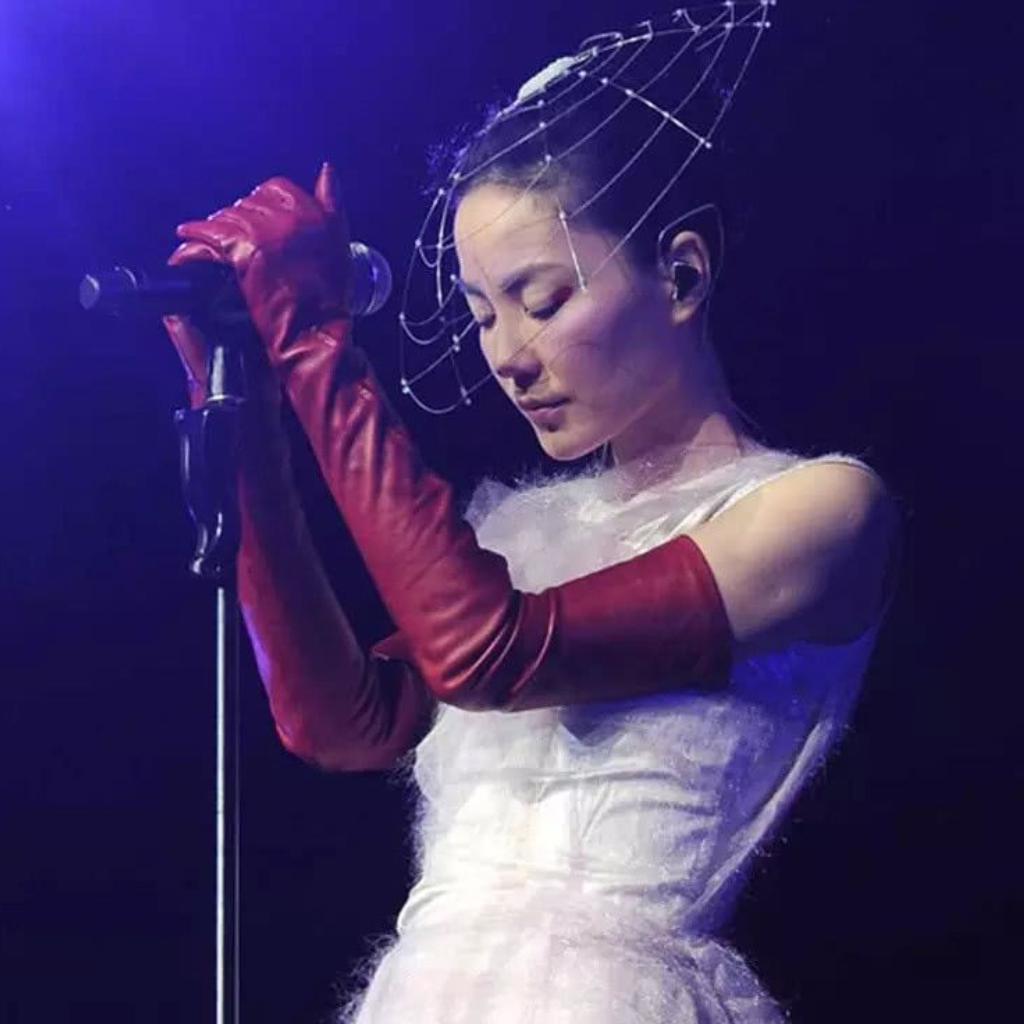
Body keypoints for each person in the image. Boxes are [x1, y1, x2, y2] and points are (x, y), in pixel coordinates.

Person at [162, 25, 903, 1023]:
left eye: (542, 301)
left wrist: (317, 347)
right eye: (481, 314)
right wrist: (247, 410)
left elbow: (493, 654)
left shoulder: (819, 510)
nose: (507, 353)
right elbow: (343, 719)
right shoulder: (519, 533)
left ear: (682, 276)